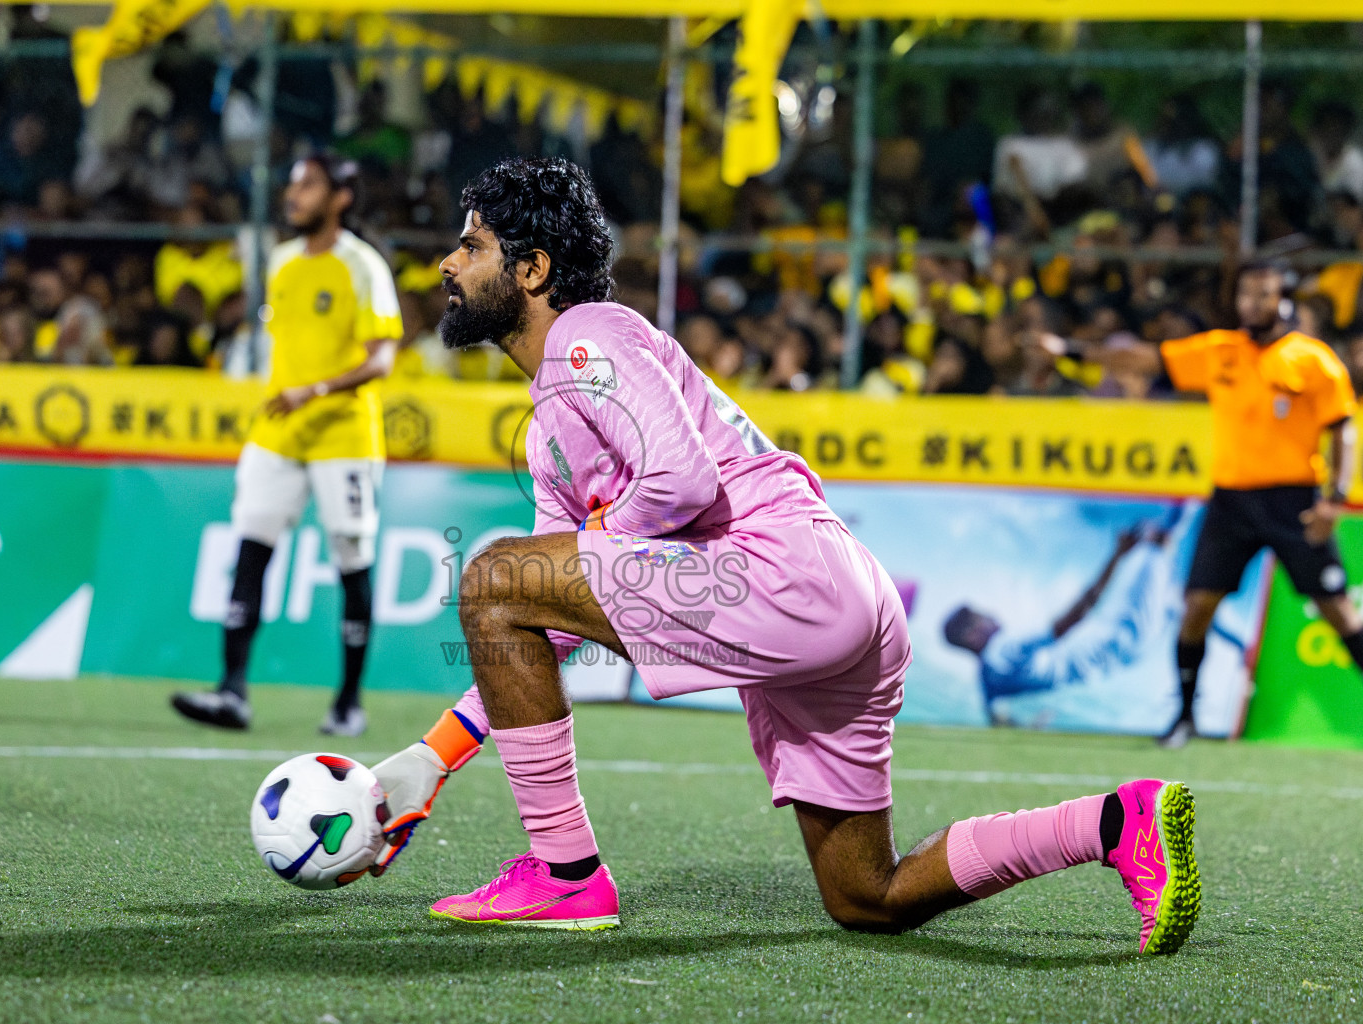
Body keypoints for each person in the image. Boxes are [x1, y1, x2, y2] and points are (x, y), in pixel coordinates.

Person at [360, 158, 1200, 955]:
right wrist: (433, 757)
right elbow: (547, 616)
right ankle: (1113, 823)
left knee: (497, 574)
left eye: (471, 245)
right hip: (837, 596)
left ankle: (565, 875)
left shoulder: (589, 335)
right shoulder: (550, 433)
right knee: (868, 894)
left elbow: (680, 483)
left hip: (786, 576)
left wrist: (600, 538)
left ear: (533, 268)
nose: (447, 263)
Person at [170, 156, 401, 736]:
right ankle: (232, 692)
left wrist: (316, 390)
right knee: (251, 549)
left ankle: (348, 703)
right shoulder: (280, 262)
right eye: (293, 183)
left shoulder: (361, 265)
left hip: (342, 435)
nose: (293, 195)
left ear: (341, 198)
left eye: (309, 185)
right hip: (277, 430)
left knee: (352, 561)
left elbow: (382, 357)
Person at [1109, 262, 1362, 748]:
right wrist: (1071, 350)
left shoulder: (1314, 360)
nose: (1251, 304)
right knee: (1197, 607)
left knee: (1338, 613)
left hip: (1295, 502)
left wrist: (1335, 499)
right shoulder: (1220, 350)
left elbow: (1342, 428)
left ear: (1284, 300)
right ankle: (1184, 717)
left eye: (1263, 295)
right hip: (1231, 502)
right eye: (1246, 294)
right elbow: (1146, 360)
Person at [944, 523, 1179, 726]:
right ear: (973, 636)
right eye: (983, 617)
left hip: (1113, 655)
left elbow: (996, 718)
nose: (992, 616)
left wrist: (1029, 727)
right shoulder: (1003, 647)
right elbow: (1073, 618)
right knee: (1161, 548)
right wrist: (1117, 556)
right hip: (1121, 638)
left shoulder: (987, 678)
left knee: (1169, 582)